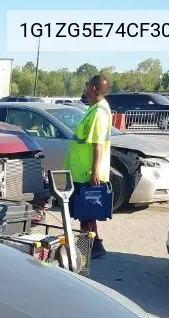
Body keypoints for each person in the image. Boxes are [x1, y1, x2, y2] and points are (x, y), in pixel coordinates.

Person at [63, 74, 113, 259]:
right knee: (87, 211)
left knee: (86, 211)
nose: (84, 90)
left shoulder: (99, 112)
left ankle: (88, 247)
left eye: (86, 87)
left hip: (86, 172)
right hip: (82, 169)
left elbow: (97, 144)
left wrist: (95, 171)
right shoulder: (96, 108)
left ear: (93, 89)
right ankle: (94, 244)